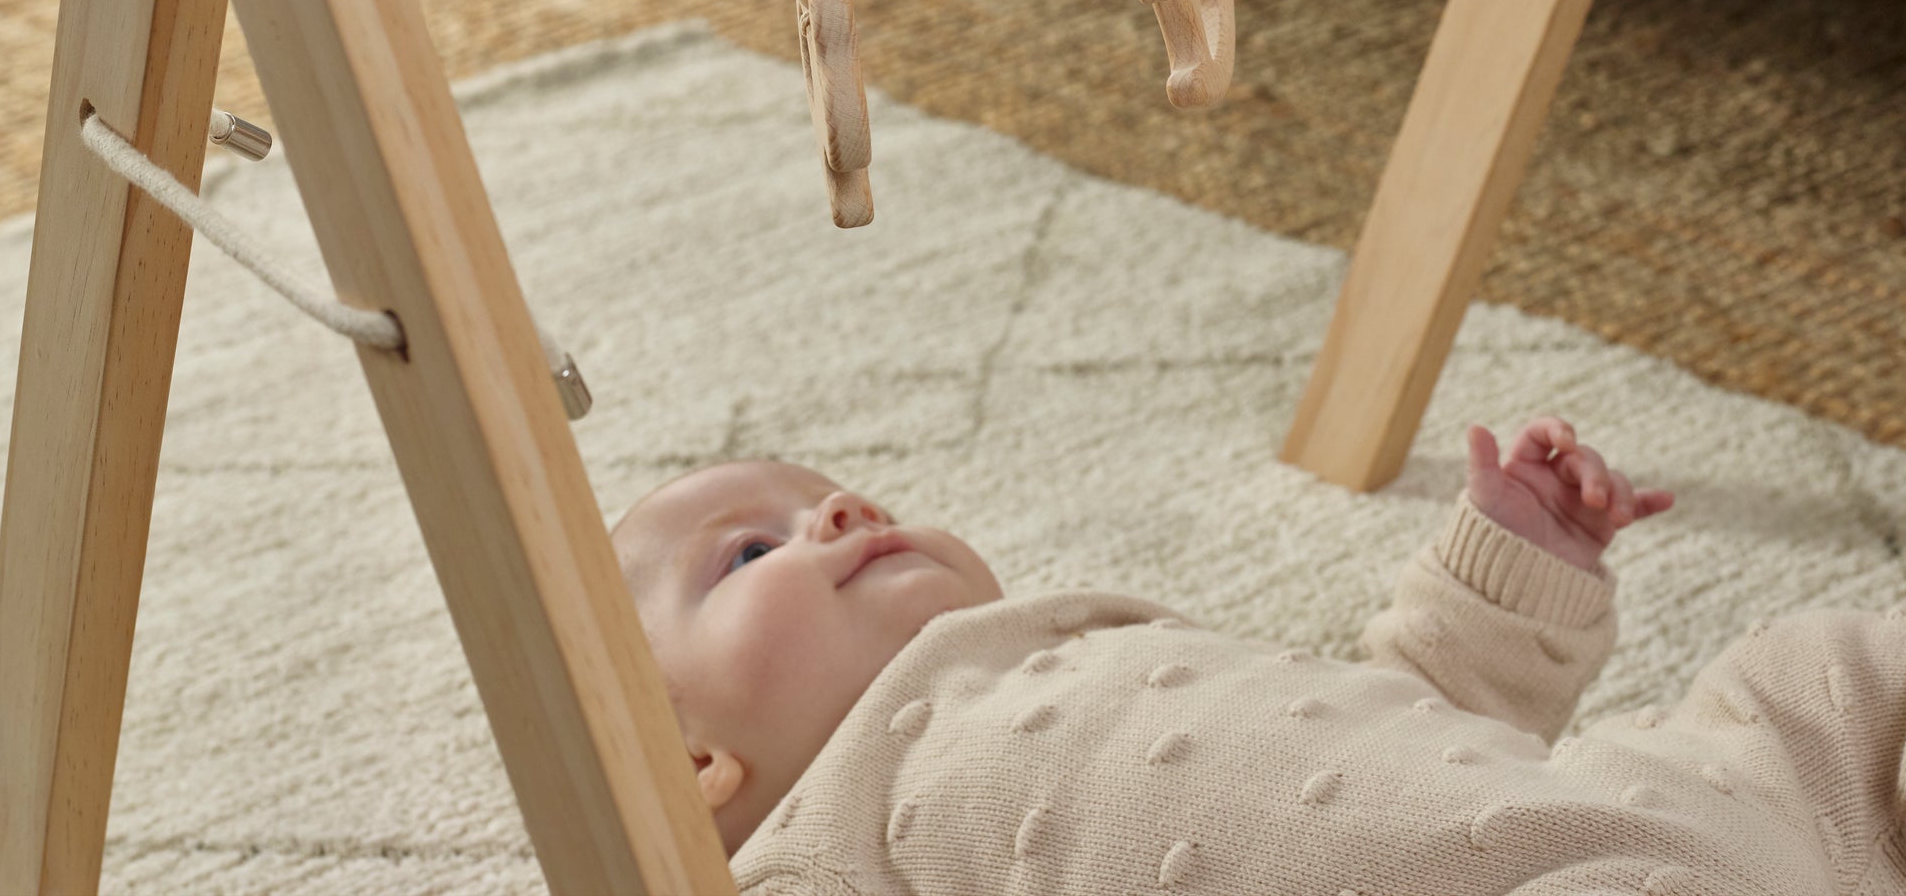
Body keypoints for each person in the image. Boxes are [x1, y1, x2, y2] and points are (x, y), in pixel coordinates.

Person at [610, 417, 1905, 894]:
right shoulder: (822, 850)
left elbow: (1403, 720)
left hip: (1629, 805)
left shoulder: (1077, 649)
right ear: (701, 763)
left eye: (846, 492)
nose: (838, 512)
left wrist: (1517, 558)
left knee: (1812, 676)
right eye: (746, 552)